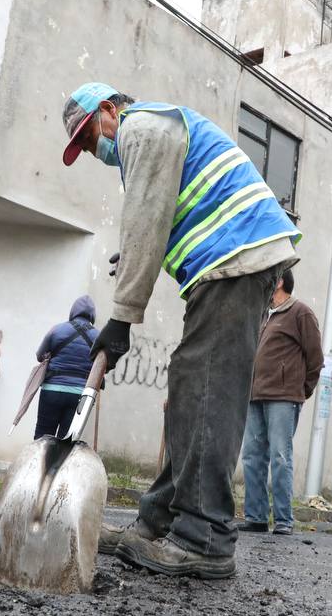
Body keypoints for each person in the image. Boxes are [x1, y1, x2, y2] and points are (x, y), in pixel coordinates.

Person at [60, 82, 301, 578]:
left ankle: (205, 538)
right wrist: (136, 253)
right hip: (225, 265)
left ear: (109, 109)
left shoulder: (140, 127)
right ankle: (157, 523)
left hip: (236, 260)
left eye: (88, 137)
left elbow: (145, 215)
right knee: (192, 386)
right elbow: (161, 213)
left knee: (207, 389)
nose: (91, 150)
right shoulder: (154, 131)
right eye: (82, 147)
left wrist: (121, 318)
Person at [240, 268, 322, 536]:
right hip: (255, 395)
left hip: (283, 398)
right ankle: (256, 517)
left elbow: (315, 360)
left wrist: (301, 390)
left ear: (280, 281)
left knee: (280, 456)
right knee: (252, 457)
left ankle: (284, 520)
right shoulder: (264, 314)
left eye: (269, 277)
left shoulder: (300, 312)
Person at [32, 296, 101, 438]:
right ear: (92, 315)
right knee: (66, 442)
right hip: (80, 395)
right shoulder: (98, 337)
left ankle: (40, 460)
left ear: (73, 312)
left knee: (42, 437)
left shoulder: (56, 330)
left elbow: (40, 356)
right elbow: (102, 366)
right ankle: (60, 460)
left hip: (52, 391)